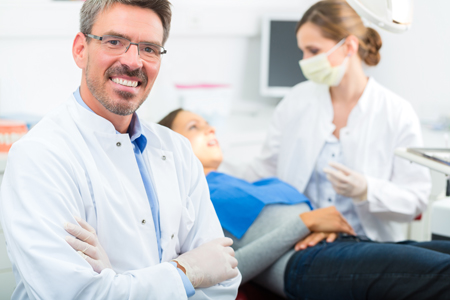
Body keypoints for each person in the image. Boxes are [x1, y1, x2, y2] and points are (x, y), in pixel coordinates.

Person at [0, 1, 240, 299]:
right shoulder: (40, 156)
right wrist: (187, 270)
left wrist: (118, 283)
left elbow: (224, 281)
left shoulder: (177, 149)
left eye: (149, 48)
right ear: (80, 49)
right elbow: (73, 295)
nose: (133, 61)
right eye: (114, 42)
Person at [154, 109, 450, 299]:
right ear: (171, 144)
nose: (211, 130)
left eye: (209, 124)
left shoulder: (240, 180)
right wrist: (305, 223)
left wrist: (320, 227)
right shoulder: (195, 195)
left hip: (339, 245)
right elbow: (224, 270)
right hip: (302, 265)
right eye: (194, 126)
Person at [244, 0, 431, 242]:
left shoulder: (396, 112)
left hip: (369, 244)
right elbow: (264, 172)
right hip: (303, 240)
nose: (304, 60)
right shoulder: (296, 101)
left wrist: (368, 189)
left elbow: (417, 199)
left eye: (313, 51)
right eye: (302, 51)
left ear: (349, 46)